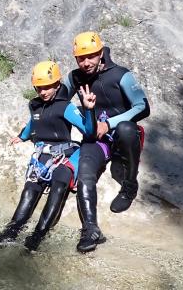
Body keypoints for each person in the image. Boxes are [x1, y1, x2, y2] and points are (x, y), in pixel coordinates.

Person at [0, 61, 97, 251]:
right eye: (39, 88)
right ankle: (11, 231)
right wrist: (22, 136)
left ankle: (38, 234)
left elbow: (89, 131)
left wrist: (88, 109)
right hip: (42, 155)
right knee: (30, 189)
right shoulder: (35, 105)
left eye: (47, 87)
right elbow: (33, 123)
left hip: (64, 154)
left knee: (58, 187)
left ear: (57, 85)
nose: (43, 92)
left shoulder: (66, 107)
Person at [62, 31, 150, 252]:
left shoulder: (121, 74)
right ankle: (91, 229)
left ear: (101, 53)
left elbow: (142, 107)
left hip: (121, 135)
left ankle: (129, 186)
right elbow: (59, 100)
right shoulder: (75, 77)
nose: (86, 62)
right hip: (97, 139)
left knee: (126, 128)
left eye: (91, 56)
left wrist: (108, 124)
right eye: (81, 58)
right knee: (85, 170)